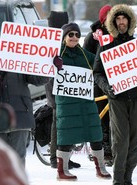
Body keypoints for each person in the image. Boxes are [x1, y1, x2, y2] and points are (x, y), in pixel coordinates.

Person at [93, 4, 137, 185]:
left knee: (133, 140)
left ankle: (128, 179)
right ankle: (117, 179)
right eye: (118, 19)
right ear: (113, 22)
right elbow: (97, 72)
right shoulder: (107, 45)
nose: (121, 22)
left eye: (124, 19)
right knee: (120, 140)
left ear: (130, 21)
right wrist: (107, 87)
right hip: (117, 99)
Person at [0, 32, 49, 165]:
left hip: (20, 119)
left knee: (17, 161)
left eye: (1, 45)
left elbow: (38, 79)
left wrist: (51, 67)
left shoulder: (20, 63)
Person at [54, 22, 111, 181]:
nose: (74, 38)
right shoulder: (57, 55)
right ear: (64, 36)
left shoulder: (85, 55)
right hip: (67, 103)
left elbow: (101, 63)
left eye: (77, 35)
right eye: (70, 34)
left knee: (95, 132)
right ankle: (61, 170)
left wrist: (102, 45)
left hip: (86, 101)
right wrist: (54, 65)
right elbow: (44, 72)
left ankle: (100, 167)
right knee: (66, 135)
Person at [45, 11, 80, 170]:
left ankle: (64, 157)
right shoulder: (51, 43)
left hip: (66, 88)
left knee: (66, 125)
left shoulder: (63, 40)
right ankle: (55, 157)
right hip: (55, 89)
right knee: (58, 125)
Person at [83, 5, 113, 166]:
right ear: (103, 19)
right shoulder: (92, 37)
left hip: (116, 82)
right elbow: (85, 59)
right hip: (97, 83)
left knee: (114, 118)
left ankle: (111, 149)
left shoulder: (118, 35)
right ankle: (101, 150)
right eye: (108, 16)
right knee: (100, 117)